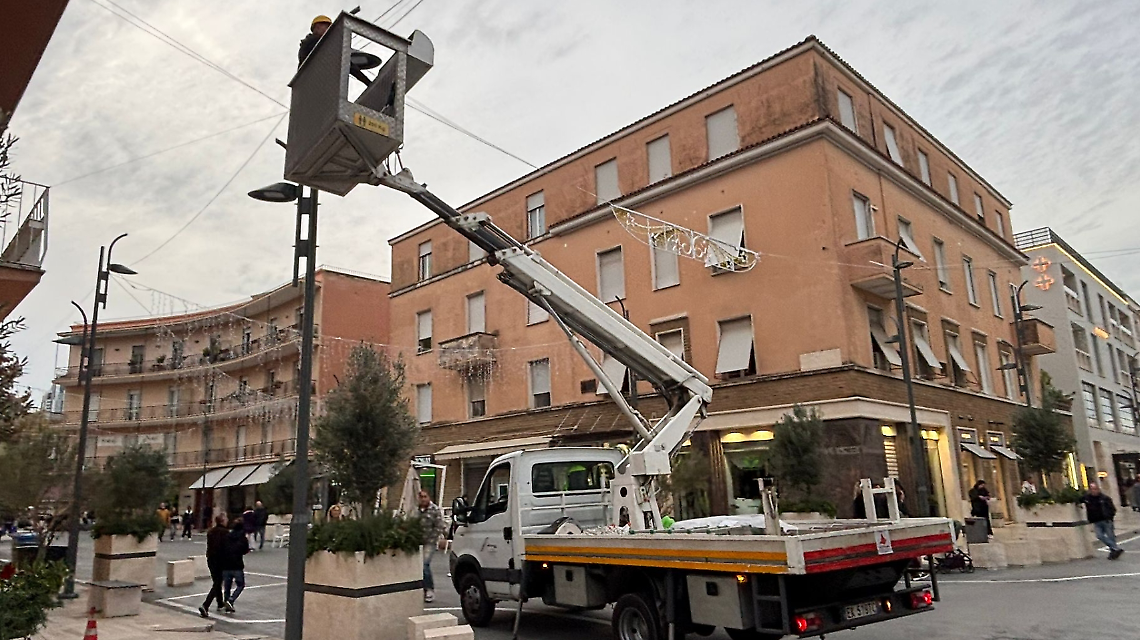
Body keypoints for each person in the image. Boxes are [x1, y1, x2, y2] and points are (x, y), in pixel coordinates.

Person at [415, 490, 447, 603]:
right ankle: (421, 589)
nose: (423, 499)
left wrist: (435, 539)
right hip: (417, 542)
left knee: (425, 565)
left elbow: (439, 527)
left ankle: (429, 589)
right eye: (421, 497)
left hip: (430, 542)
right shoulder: (416, 510)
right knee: (417, 567)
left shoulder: (435, 510)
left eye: (425, 496)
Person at [1081, 482, 1123, 560]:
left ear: (1098, 489)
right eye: (1092, 489)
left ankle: (1113, 552)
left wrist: (1110, 517)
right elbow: (1079, 499)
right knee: (1099, 535)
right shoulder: (1087, 498)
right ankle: (1115, 548)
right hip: (1096, 521)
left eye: (1095, 489)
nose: (1094, 491)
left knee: (1111, 537)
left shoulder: (1105, 498)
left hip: (1106, 520)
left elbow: (1112, 509)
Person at [198, 515, 229, 618]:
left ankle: (220, 603)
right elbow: (225, 547)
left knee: (217, 580)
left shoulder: (211, 532)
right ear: (223, 521)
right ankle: (205, 605)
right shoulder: (225, 533)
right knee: (217, 583)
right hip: (220, 559)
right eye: (226, 519)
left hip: (211, 558)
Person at [222, 518, 251, 612]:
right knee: (240, 584)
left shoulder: (227, 536)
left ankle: (226, 601)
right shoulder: (243, 538)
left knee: (227, 586)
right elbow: (245, 551)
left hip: (226, 563)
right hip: (237, 564)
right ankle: (231, 600)